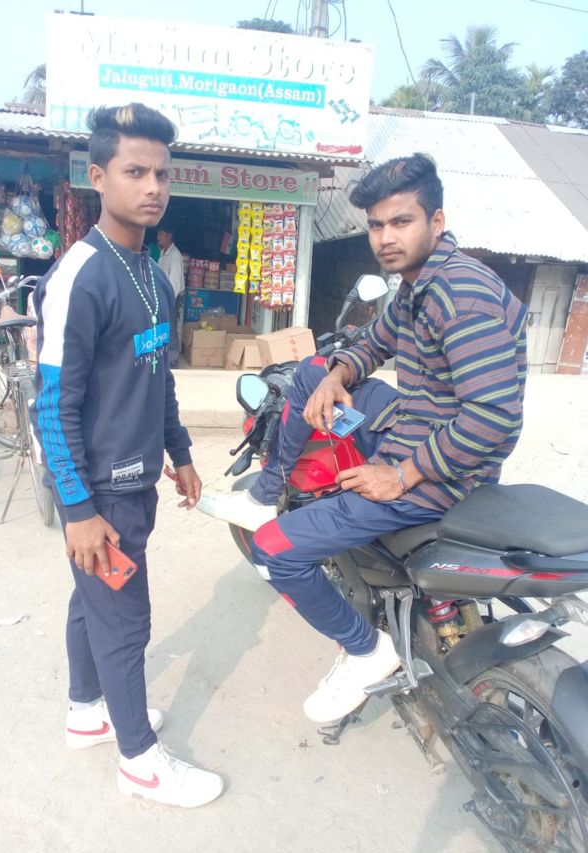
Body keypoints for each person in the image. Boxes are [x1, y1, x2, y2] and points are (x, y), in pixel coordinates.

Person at [198, 153, 528, 724]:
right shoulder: (417, 288)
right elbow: (374, 340)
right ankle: (265, 493)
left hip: (444, 476)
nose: (386, 237)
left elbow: (494, 417)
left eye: (401, 221)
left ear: (436, 221)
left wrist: (399, 475)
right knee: (308, 374)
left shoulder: (460, 295)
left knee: (276, 551)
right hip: (416, 424)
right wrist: (337, 375)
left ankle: (365, 651)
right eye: (376, 225)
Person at [31, 103, 223, 808]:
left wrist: (181, 451)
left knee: (93, 602)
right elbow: (52, 404)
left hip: (138, 479)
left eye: (162, 174)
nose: (152, 187)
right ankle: (140, 760)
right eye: (135, 171)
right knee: (124, 619)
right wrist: (78, 508)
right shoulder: (81, 275)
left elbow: (158, 375)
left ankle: (89, 712)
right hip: (100, 490)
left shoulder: (153, 275)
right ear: (97, 176)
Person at [156, 221, 185, 368]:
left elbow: (175, 283)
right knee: (163, 327)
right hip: (162, 297)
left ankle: (173, 360)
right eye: (158, 234)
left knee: (171, 327)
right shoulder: (163, 254)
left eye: (161, 234)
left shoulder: (175, 255)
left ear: (169, 236)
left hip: (171, 297)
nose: (158, 237)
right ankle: (164, 357)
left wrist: (168, 300)